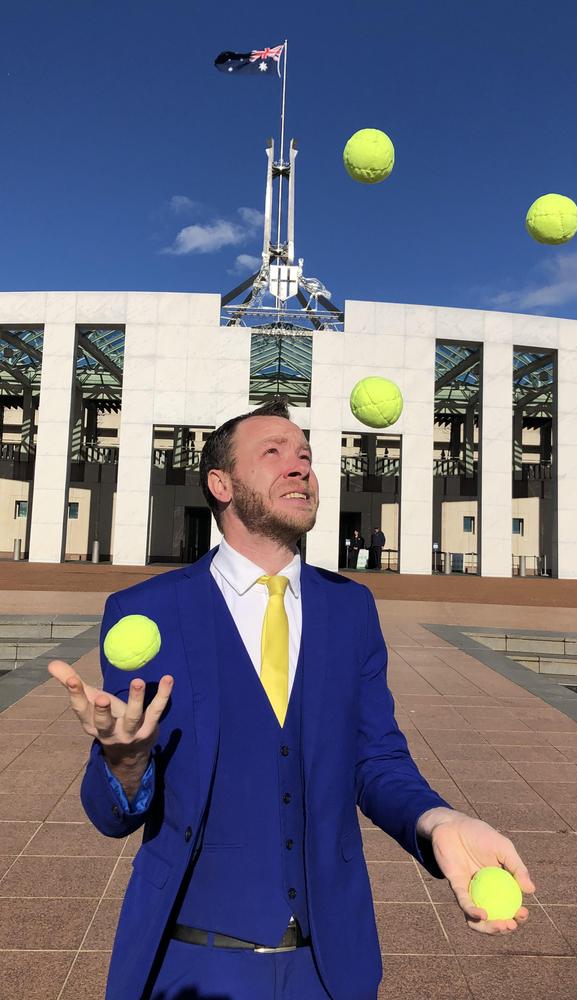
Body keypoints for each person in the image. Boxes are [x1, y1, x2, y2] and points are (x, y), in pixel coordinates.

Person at [48, 397, 534, 1000]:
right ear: (220, 483)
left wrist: (438, 822)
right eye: (273, 453)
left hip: (328, 967)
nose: (299, 466)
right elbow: (109, 814)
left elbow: (375, 759)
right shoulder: (145, 611)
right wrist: (123, 763)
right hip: (189, 958)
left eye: (305, 455)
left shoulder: (349, 607)